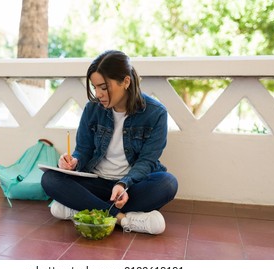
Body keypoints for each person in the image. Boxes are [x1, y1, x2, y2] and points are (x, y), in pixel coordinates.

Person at [41, 50, 178, 235]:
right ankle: (123, 219)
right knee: (50, 179)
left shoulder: (156, 113)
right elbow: (83, 150)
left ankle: (82, 208)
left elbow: (147, 161)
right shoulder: (92, 109)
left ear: (126, 82)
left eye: (103, 87)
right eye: (95, 87)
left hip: (130, 187)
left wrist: (123, 184)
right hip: (96, 182)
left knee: (168, 184)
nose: (98, 94)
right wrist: (73, 162)